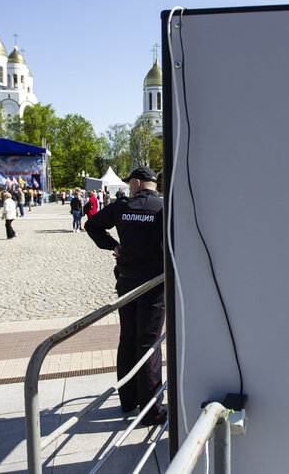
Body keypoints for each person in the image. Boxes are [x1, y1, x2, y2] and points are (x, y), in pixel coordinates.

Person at [85, 167, 166, 425]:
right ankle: (152, 410)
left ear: (137, 182)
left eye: (130, 182)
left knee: (128, 340)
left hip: (127, 281)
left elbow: (92, 225)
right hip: (154, 283)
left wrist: (115, 245)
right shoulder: (163, 207)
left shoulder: (122, 206)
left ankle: (128, 400)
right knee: (149, 344)